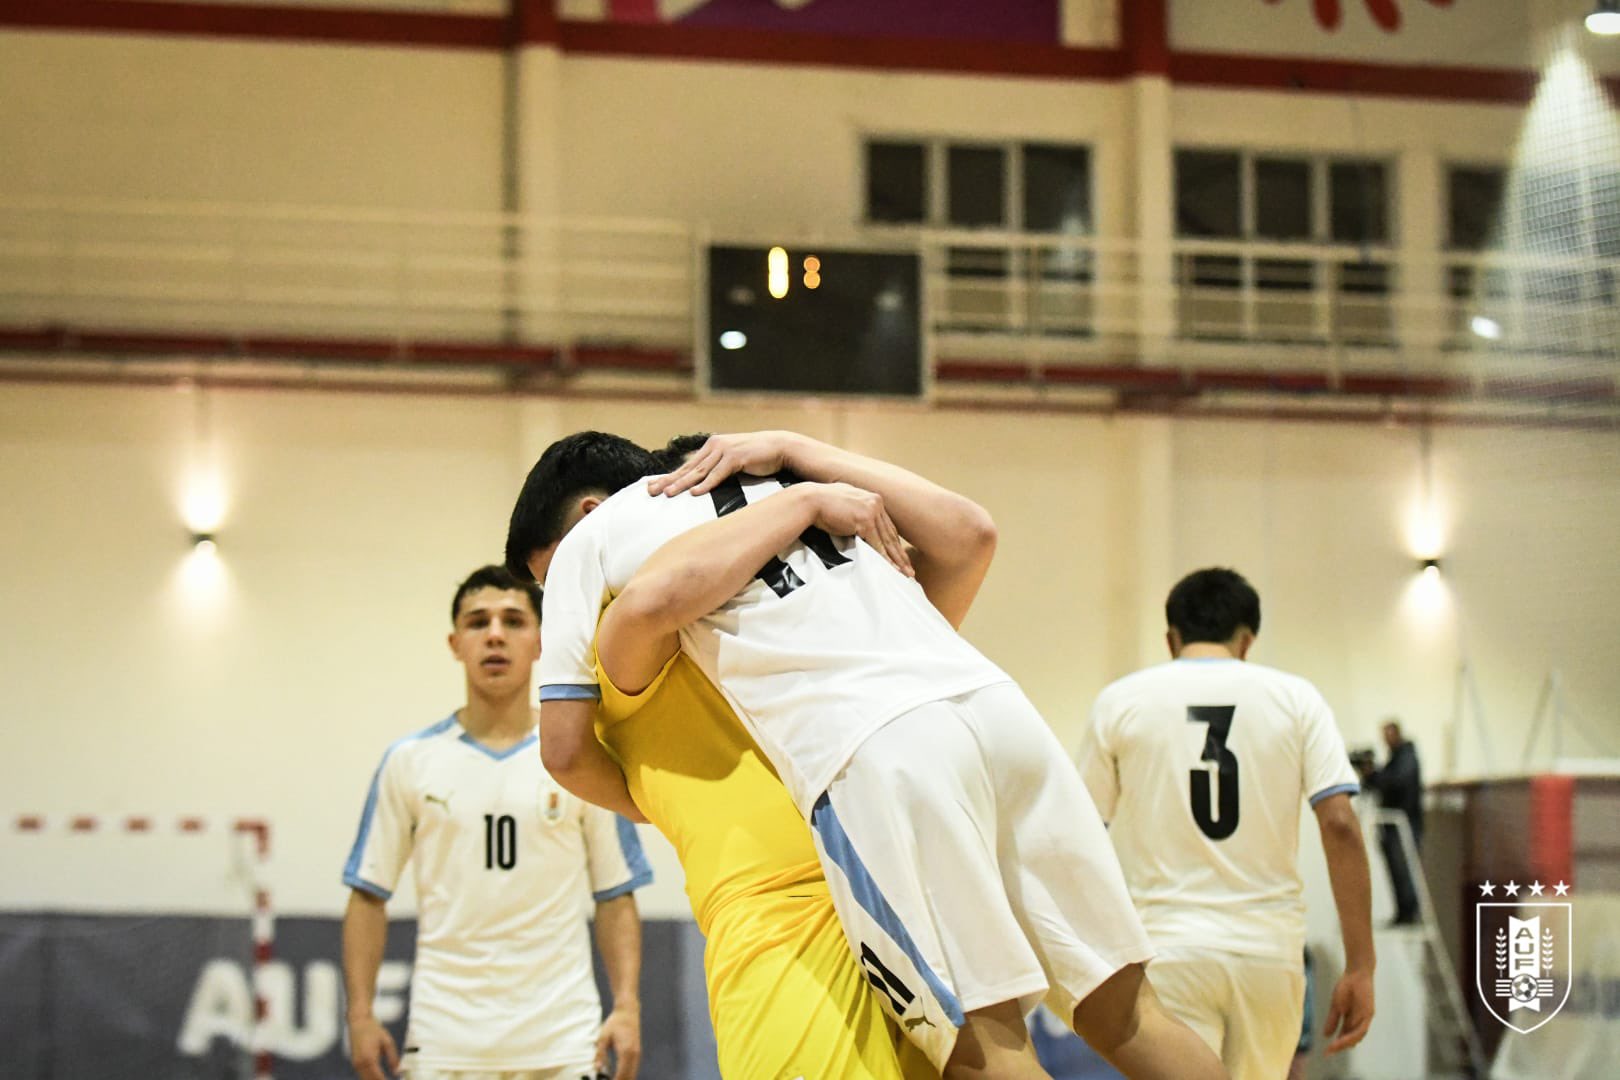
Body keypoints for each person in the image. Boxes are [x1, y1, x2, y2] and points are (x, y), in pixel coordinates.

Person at [506, 430, 1225, 1080]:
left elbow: (625, 644)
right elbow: (971, 535)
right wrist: (802, 469)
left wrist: (655, 804)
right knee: (1128, 1015)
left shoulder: (606, 559)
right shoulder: (804, 506)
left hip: (867, 779)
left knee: (986, 1047)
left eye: (545, 584)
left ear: (588, 520)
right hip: (994, 709)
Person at [587, 433, 939, 1079]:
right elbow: (970, 535)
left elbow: (566, 753)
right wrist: (803, 478)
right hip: (899, 881)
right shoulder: (849, 607)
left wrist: (799, 481)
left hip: (804, 905)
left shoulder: (634, 621)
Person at [341, 565, 651, 1080]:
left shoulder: (579, 756)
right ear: (455, 642)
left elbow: (615, 892)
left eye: (512, 620)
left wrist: (627, 1006)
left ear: (539, 641)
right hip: (444, 1045)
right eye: (477, 621)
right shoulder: (410, 762)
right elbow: (368, 894)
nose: (494, 635)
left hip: (565, 1044)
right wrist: (359, 1016)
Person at [1077, 567, 1375, 1080]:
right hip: (1269, 953)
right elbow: (1341, 824)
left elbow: (1081, 838)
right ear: (1247, 640)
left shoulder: (1121, 701)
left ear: (1171, 638)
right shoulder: (1296, 699)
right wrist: (1361, 966)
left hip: (1166, 949)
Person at [1357, 718, 1424, 926]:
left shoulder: (1407, 757)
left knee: (1404, 870)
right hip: (1392, 826)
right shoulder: (1395, 759)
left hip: (1404, 824)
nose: (1385, 739)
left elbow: (1395, 782)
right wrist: (1369, 775)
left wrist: (1374, 774)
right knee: (1395, 872)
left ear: (1397, 733)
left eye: (1388, 734)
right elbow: (1383, 783)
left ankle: (1410, 912)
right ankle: (1403, 913)